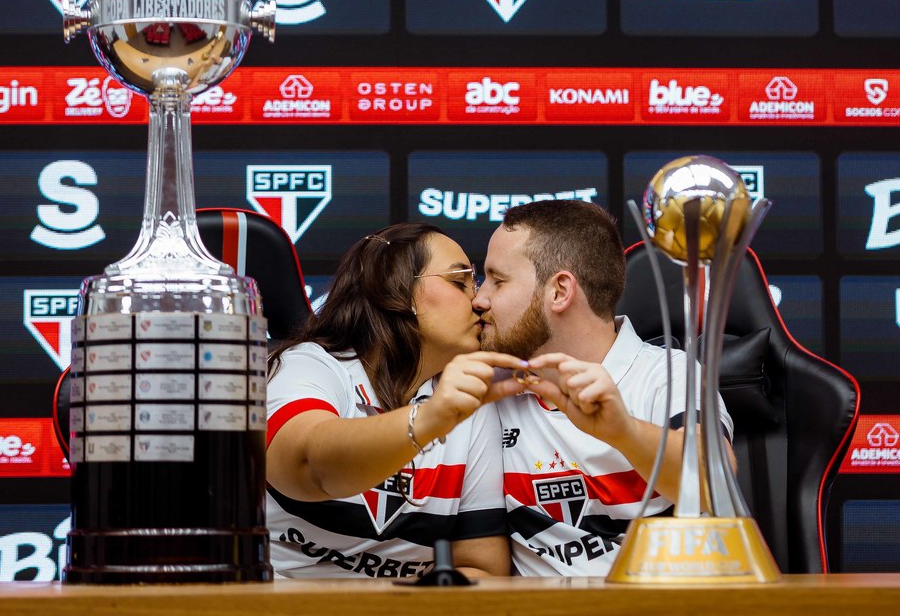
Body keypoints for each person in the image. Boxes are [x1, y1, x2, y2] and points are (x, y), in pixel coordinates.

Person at [472, 200, 733, 576]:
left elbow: (715, 481)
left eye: (498, 280)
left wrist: (622, 431)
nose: (479, 298)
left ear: (560, 291)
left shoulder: (665, 374)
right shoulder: (489, 388)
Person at [265, 223, 527, 579]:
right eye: (459, 281)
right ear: (395, 288)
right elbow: (308, 468)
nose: (480, 301)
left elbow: (482, 567)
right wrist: (430, 417)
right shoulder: (307, 366)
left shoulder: (467, 399)